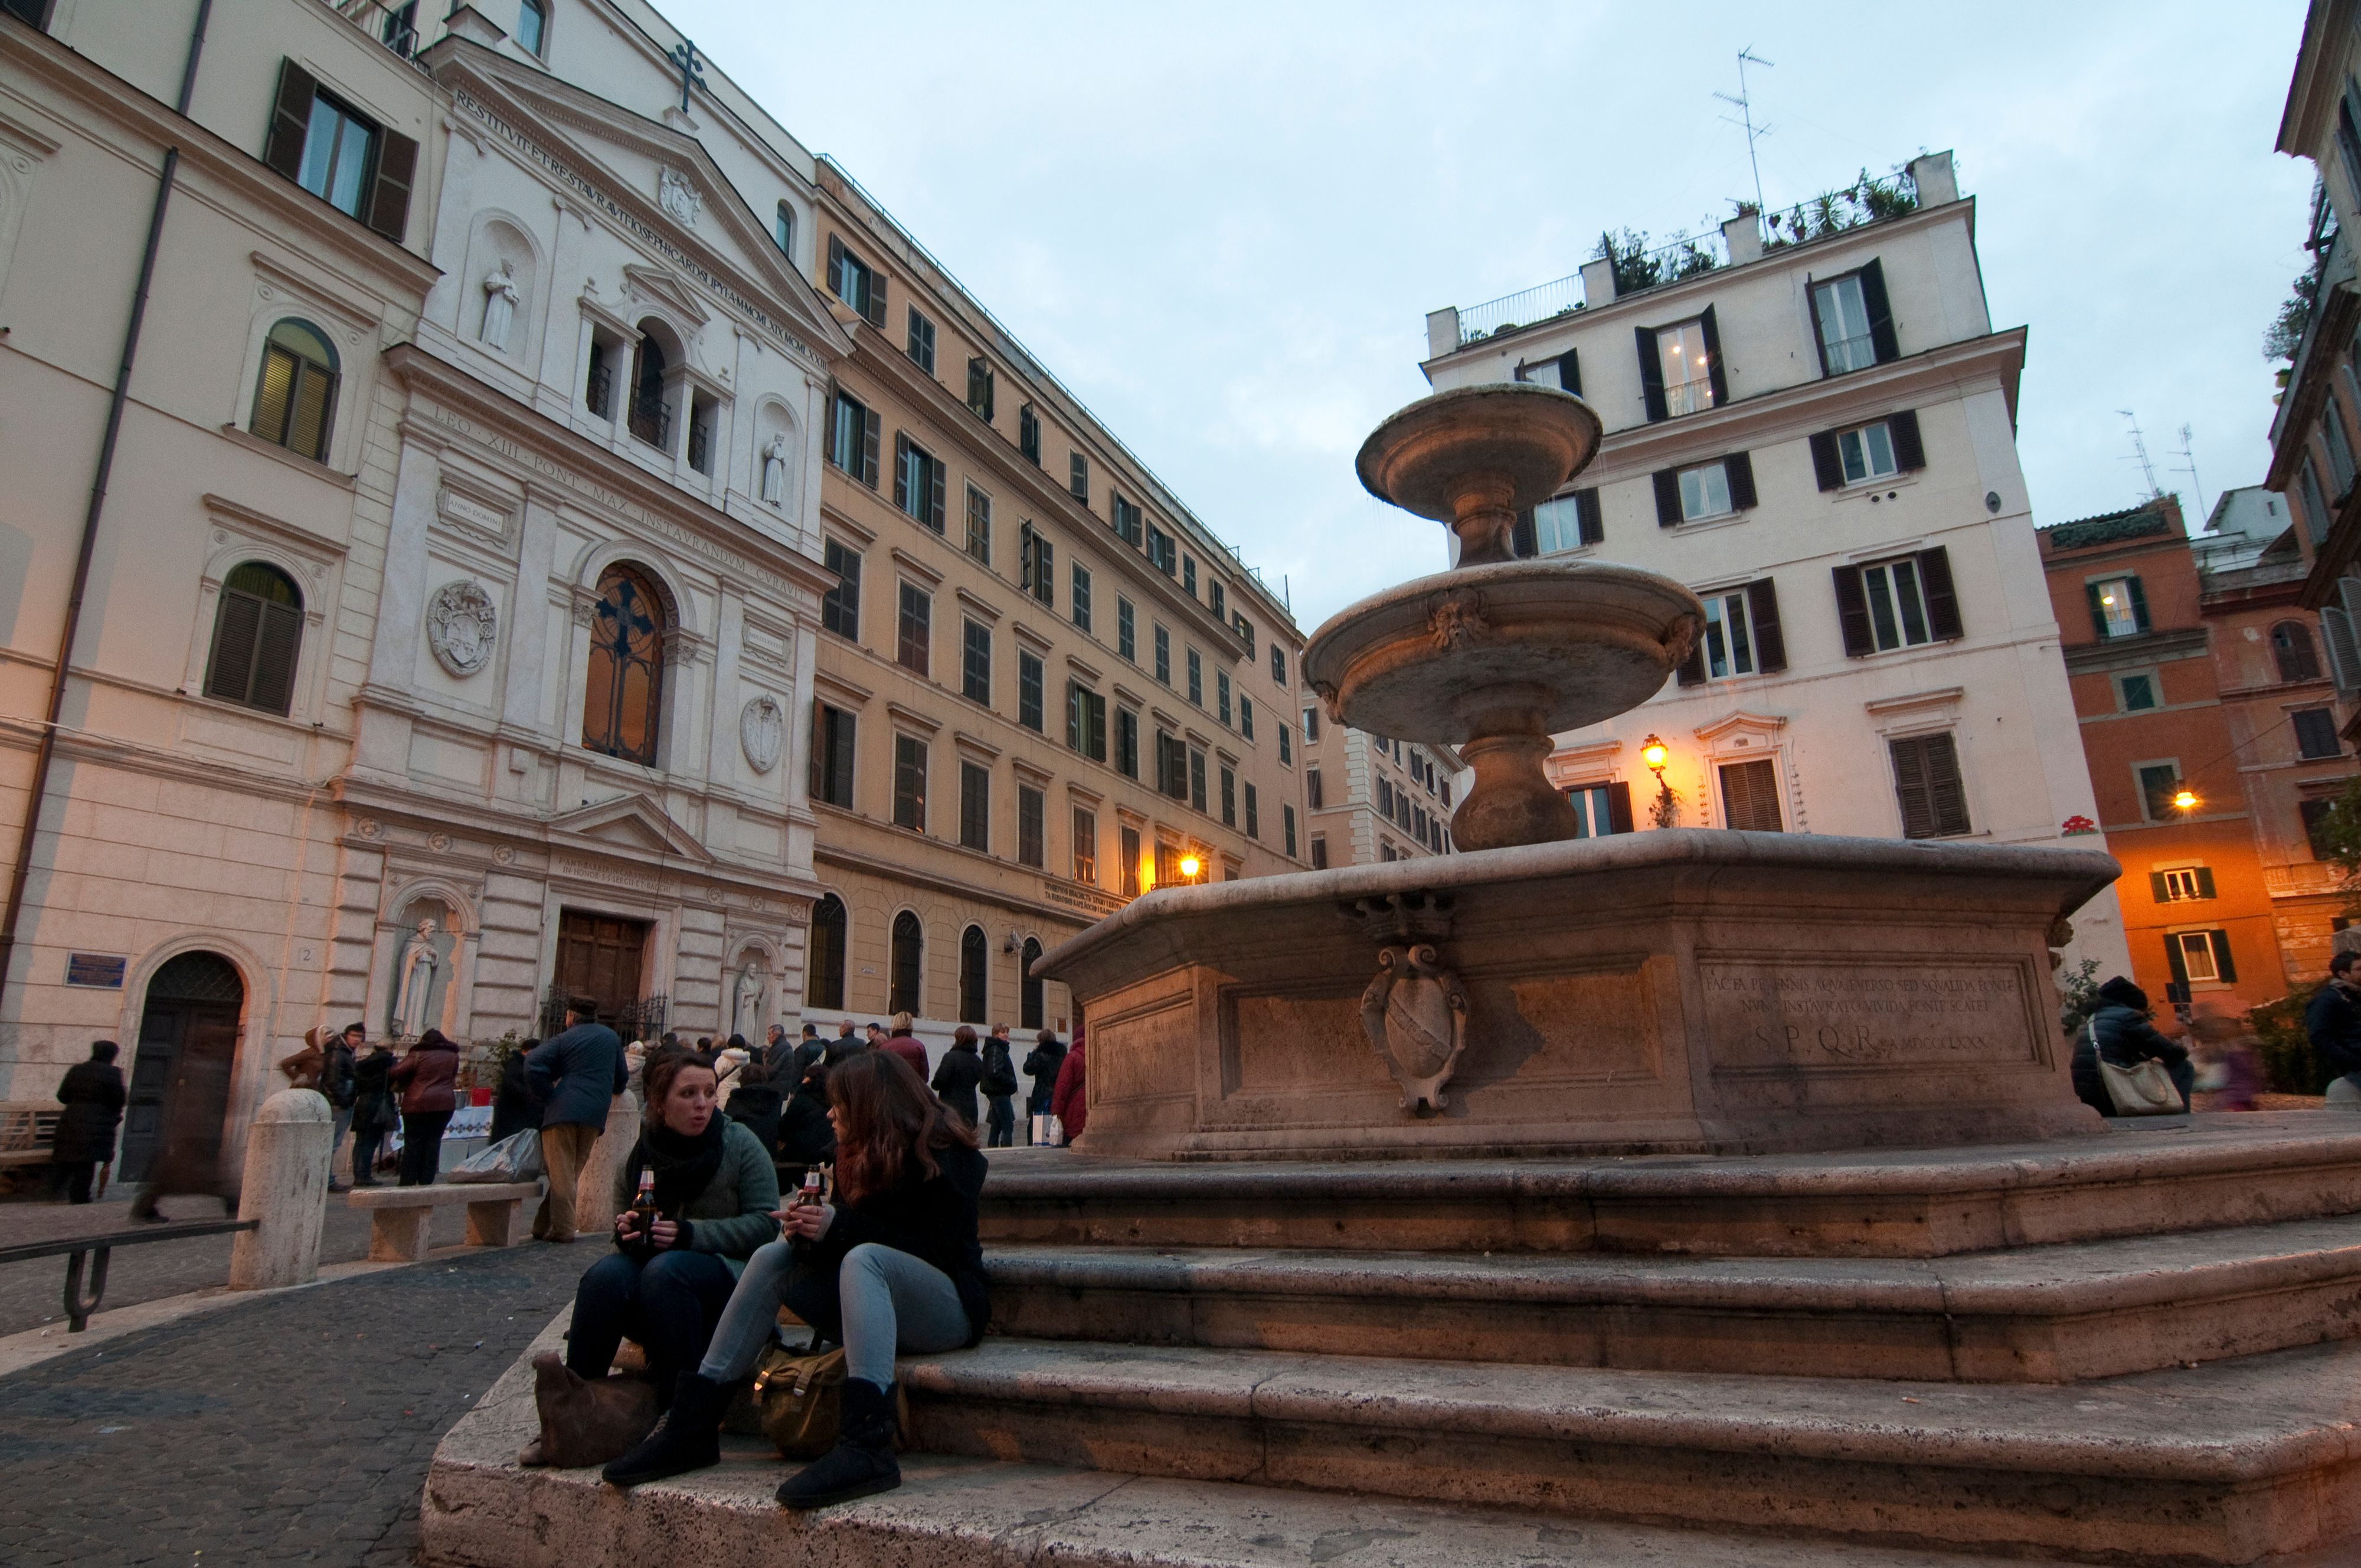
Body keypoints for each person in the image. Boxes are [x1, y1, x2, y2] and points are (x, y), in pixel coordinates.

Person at [601, 1050, 988, 1510]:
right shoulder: (856, 1154)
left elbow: (936, 1251)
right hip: (868, 1307)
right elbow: (843, 1243)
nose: (828, 1114)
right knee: (774, 1255)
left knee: (865, 1257)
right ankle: (691, 1426)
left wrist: (838, 1228)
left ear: (869, 1105)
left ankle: (868, 1446)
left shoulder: (949, 1157)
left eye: (838, 1104)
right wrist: (807, 1234)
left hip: (947, 1309)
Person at [560, 1050, 780, 1408]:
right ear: (661, 1103)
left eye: (710, 1093)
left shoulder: (740, 1145)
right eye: (688, 1094)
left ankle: (679, 1412)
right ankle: (574, 1408)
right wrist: (627, 1232)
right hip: (653, 1283)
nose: (702, 1104)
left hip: (726, 1280)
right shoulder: (641, 1155)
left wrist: (691, 1234)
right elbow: (621, 1234)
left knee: (669, 1270)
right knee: (604, 1277)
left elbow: (764, 1224)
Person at [527, 997, 630, 1243]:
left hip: (563, 1110)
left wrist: (547, 1094)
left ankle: (563, 1230)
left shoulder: (565, 1038)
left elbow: (532, 1062)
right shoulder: (611, 1038)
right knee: (570, 1172)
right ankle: (541, 1225)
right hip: (595, 1113)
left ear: (571, 1016)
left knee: (562, 1173)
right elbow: (622, 1077)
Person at [2070, 976, 2192, 1117]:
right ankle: (2180, 1114)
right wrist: (2182, 1049)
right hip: (2113, 1089)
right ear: (2134, 1003)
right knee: (2185, 1066)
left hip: (2089, 1092)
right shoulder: (2128, 1017)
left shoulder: (2093, 1019)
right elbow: (2170, 1051)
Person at [48, 1041, 125, 1204]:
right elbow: (119, 1100)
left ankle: (52, 1193)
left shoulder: (77, 1070)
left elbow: (63, 1096)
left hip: (71, 1119)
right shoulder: (113, 1073)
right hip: (98, 1122)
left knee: (66, 1159)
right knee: (86, 1162)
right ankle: (79, 1197)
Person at [390, 1028, 462, 1186]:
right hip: (444, 1104)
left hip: (417, 1104)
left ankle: (408, 1181)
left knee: (413, 1143)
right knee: (433, 1142)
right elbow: (453, 1075)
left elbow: (397, 1072)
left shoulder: (418, 1054)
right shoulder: (453, 1056)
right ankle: (426, 1180)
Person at [2306, 950, 2361, 1103]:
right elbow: (2319, 1037)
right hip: (2355, 1068)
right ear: (2343, 974)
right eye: (2359, 969)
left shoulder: (2355, 996)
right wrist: (2352, 1060)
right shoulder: (2327, 1000)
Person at [350, 1038, 398, 1187]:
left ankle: (358, 1174)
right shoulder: (389, 1062)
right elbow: (396, 1082)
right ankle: (364, 1176)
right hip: (379, 1104)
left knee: (361, 1141)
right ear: (390, 1049)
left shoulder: (363, 1063)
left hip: (363, 1102)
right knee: (371, 1142)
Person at [777, 1059, 836, 1176]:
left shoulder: (802, 1097)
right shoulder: (832, 1098)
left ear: (810, 1079)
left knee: (782, 1159)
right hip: (827, 1149)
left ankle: (803, 1186)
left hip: (802, 1151)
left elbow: (784, 1125)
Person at [321, 1024, 360, 1192]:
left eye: (360, 1036)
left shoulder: (344, 1052)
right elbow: (333, 1081)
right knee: (332, 1144)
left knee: (332, 1143)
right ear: (346, 1035)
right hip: (337, 1104)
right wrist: (344, 1101)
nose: (357, 1040)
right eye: (355, 1036)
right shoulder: (339, 1053)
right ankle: (327, 1181)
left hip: (338, 1102)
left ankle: (326, 1179)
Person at [723, 1055, 785, 1157]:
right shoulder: (775, 1099)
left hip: (741, 1152)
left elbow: (726, 1125)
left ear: (742, 1080)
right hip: (768, 1151)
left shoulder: (736, 1099)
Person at [488, 1039, 543, 1145]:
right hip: (511, 1120)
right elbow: (517, 1089)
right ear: (527, 1051)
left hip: (517, 1119)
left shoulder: (523, 1066)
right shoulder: (516, 1067)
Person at [931, 1026, 984, 1129]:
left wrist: (935, 1085)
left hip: (950, 1105)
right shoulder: (977, 1060)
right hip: (971, 1105)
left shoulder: (950, 1057)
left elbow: (939, 1080)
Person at [980, 1026, 1019, 1150]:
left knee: (996, 1124)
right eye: (1003, 1032)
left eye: (1007, 1032)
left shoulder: (997, 1049)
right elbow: (995, 1071)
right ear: (996, 1034)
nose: (1006, 1034)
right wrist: (1011, 1081)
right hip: (999, 1091)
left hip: (997, 1091)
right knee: (1007, 1125)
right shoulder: (996, 1049)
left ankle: (993, 1148)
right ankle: (1006, 1149)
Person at [1022, 1029, 1067, 1126]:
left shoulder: (1041, 1056)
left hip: (1041, 1094)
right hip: (1057, 1093)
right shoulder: (1062, 1056)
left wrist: (1032, 1054)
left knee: (1036, 1125)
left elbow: (1027, 1069)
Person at [1051, 1030, 1088, 1141]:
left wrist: (1056, 1112)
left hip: (1075, 1108)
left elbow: (1062, 1087)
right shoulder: (1099, 1054)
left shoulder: (1072, 1057)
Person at [881, 1013, 928, 1079]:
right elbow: (925, 1076)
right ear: (911, 1025)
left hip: (891, 1088)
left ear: (894, 1024)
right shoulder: (919, 1046)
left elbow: (880, 1073)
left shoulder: (884, 1047)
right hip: (912, 1088)